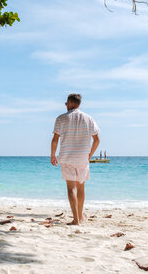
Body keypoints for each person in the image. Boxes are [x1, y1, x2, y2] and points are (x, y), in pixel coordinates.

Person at [50, 93, 100, 225]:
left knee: (71, 188)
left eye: (66, 103)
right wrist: (89, 155)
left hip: (67, 157)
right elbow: (97, 140)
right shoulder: (89, 119)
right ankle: (80, 217)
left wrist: (52, 155)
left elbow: (55, 139)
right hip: (82, 157)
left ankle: (76, 219)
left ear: (70, 103)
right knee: (81, 188)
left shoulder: (61, 119)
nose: (66, 106)